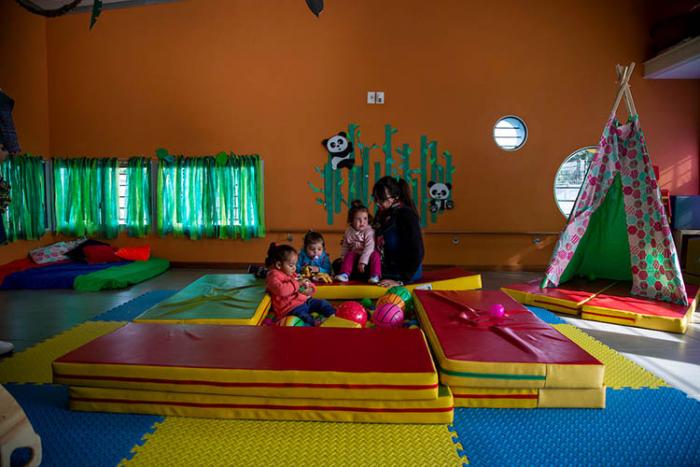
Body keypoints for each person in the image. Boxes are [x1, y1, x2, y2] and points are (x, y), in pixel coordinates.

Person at [265, 243, 335, 326]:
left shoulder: (292, 273)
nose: (294, 268)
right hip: (290, 308)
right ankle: (315, 324)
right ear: (279, 265)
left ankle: (332, 316)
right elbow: (281, 290)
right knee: (304, 317)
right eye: (291, 265)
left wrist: (310, 289)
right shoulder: (273, 275)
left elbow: (304, 282)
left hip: (304, 301)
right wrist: (298, 284)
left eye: (295, 264)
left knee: (322, 303)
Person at [372, 176, 424, 287]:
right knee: (341, 264)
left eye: (381, 199)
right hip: (388, 265)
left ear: (395, 197)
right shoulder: (382, 213)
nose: (377, 203)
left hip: (406, 272)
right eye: (375, 198)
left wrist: (401, 281)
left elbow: (418, 251)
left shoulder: (405, 214)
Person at [335, 200, 381, 284]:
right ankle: (345, 274)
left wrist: (363, 262)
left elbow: (369, 247)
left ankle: (375, 275)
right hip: (355, 254)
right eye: (358, 219)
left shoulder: (369, 231)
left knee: (376, 255)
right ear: (352, 220)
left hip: (368, 254)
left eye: (365, 218)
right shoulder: (349, 231)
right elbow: (345, 245)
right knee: (349, 255)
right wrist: (343, 258)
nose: (362, 222)